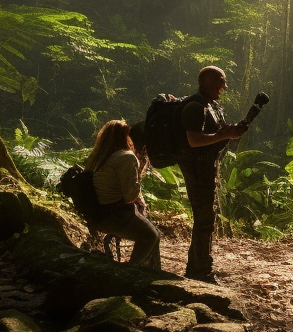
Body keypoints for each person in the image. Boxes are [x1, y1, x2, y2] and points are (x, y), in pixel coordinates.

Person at [178, 66, 247, 282]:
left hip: (207, 169)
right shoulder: (195, 107)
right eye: (220, 81)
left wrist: (231, 132)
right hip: (196, 170)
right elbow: (193, 140)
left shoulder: (212, 106)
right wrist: (222, 135)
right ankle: (200, 271)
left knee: (207, 218)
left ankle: (198, 267)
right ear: (207, 82)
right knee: (204, 219)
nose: (224, 87)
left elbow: (217, 135)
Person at [83, 120, 161, 270]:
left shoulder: (97, 158)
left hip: (97, 214)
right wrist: (138, 172)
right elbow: (131, 195)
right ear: (126, 137)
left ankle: (151, 272)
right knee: (151, 236)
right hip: (117, 214)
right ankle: (132, 271)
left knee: (149, 232)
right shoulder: (126, 157)